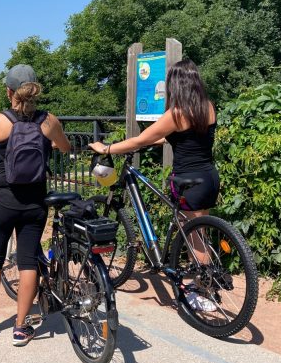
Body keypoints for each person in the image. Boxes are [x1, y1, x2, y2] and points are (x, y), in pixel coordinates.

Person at [88, 58, 218, 312]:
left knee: (194, 238)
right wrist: (152, 140)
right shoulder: (207, 107)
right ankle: (206, 283)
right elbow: (180, 138)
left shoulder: (177, 113)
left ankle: (204, 293)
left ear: (176, 84)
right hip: (209, 176)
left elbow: (140, 140)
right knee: (199, 233)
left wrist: (107, 148)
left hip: (188, 180)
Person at [0, 64, 71, 346]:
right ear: (34, 91)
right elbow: (65, 148)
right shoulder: (49, 121)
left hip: (2, 199)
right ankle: (21, 326)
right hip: (35, 202)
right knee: (28, 261)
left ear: (9, 91)